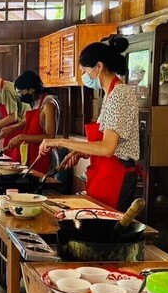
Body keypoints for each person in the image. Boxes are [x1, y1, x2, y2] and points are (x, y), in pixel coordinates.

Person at [39, 36, 140, 211]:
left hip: (116, 175)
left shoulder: (120, 94)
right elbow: (104, 143)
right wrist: (80, 151)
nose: (85, 76)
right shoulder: (110, 94)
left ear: (99, 67)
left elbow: (108, 148)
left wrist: (59, 141)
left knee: (106, 232)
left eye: (84, 71)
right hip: (105, 173)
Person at [0, 70, 60, 174]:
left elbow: (50, 137)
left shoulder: (49, 104)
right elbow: (26, 120)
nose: (20, 96)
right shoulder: (36, 102)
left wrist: (21, 137)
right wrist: (12, 128)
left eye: (21, 93)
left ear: (31, 89)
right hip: (34, 154)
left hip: (46, 157)